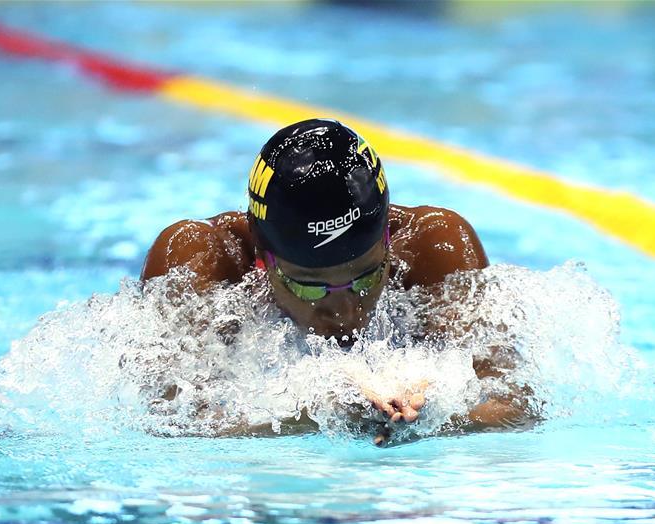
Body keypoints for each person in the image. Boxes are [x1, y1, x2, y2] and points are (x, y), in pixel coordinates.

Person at [141, 119, 529, 440]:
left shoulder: (433, 245)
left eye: (367, 277)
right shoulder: (203, 261)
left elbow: (518, 403)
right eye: (310, 286)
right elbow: (171, 424)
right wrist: (311, 416)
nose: (345, 309)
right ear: (263, 259)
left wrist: (438, 413)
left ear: (387, 242)